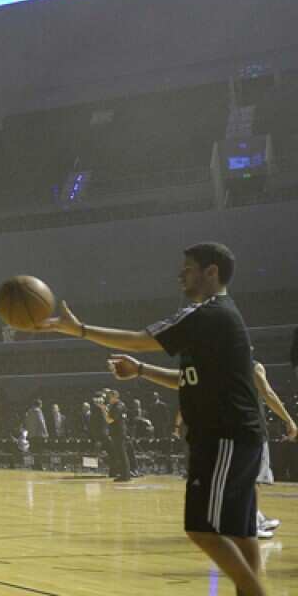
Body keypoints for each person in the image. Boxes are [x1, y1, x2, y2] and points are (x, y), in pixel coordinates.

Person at [47, 242, 269, 595]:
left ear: (211, 272)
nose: (180, 274)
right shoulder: (219, 320)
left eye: (189, 267)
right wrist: (140, 372)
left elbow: (139, 339)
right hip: (239, 435)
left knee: (202, 529)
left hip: (222, 435)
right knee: (241, 532)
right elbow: (187, 380)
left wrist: (79, 330)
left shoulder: (205, 314)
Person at [250, 361, 297, 539]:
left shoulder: (222, 367)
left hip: (231, 428)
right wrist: (288, 419)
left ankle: (256, 517)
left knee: (245, 479)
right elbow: (268, 393)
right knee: (253, 479)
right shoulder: (252, 366)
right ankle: (250, 523)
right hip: (251, 428)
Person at [103, 389, 133, 482]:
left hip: (118, 432)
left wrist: (104, 410)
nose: (109, 399)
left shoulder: (118, 406)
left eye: (110, 397)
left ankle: (125, 475)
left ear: (115, 396)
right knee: (120, 454)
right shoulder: (117, 405)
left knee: (122, 454)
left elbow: (110, 420)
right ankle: (124, 474)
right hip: (118, 432)